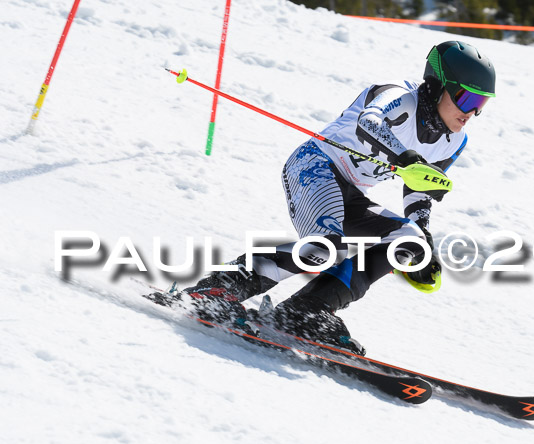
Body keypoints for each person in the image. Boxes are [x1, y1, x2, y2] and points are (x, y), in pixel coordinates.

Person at [149, 41, 496, 356]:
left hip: (351, 190)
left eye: (480, 104)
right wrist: (404, 159)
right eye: (467, 99)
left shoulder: (454, 141)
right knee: (326, 247)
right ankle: (217, 290)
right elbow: (368, 123)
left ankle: (305, 312)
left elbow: (420, 188)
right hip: (314, 166)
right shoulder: (398, 96)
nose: (472, 112)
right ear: (437, 86)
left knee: (410, 241)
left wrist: (426, 239)